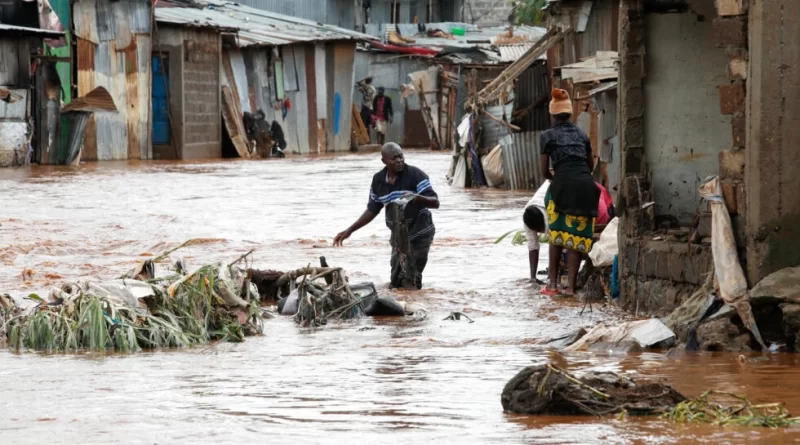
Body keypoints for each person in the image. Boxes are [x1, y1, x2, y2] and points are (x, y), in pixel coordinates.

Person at [334, 142, 439, 289]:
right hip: (398, 235)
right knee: (395, 281)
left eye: (401, 156)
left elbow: (435, 202)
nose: (399, 160)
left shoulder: (415, 175)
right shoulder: (378, 181)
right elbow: (372, 209)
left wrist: (416, 197)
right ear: (384, 161)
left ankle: (413, 306)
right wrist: (350, 230)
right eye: (394, 158)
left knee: (411, 277)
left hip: (420, 232)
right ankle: (400, 304)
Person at [539, 88, 600, 296]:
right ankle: (572, 289)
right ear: (569, 113)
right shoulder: (582, 134)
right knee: (576, 240)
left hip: (562, 186)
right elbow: (590, 165)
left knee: (556, 237)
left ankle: (553, 285)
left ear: (553, 114)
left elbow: (544, 171)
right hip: (586, 187)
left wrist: (557, 177)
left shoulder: (547, 135)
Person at [524, 180, 614, 285]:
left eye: (542, 229)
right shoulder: (528, 218)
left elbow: (557, 241)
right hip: (577, 196)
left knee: (569, 244)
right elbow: (532, 247)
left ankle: (565, 281)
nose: (542, 232)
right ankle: (560, 280)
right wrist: (533, 278)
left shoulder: (552, 209)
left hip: (593, 201)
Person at [357, 77, 376, 142]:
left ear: (366, 81)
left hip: (365, 107)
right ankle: (369, 139)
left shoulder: (367, 87)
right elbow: (361, 90)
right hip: (370, 107)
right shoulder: (373, 88)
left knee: (363, 122)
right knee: (369, 123)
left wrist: (362, 80)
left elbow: (359, 83)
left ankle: (364, 138)